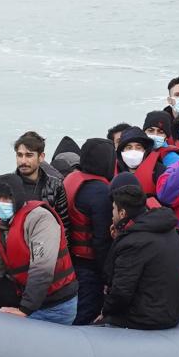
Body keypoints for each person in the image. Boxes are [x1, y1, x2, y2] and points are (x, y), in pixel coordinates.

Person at [0, 174, 80, 323]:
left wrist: (24, 310)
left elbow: (42, 269)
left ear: (17, 197)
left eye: (6, 198)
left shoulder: (40, 219)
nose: (1, 203)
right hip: (31, 303)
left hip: (57, 305)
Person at [98, 180, 179, 329]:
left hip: (150, 317)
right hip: (174, 309)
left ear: (122, 213)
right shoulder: (166, 228)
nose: (112, 214)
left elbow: (121, 291)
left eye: (114, 209)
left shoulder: (133, 243)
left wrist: (106, 312)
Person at [0, 132, 67, 267]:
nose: (23, 161)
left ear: (41, 157)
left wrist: (58, 264)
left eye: (29, 155)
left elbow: (64, 228)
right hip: (9, 263)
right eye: (19, 155)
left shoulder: (55, 186)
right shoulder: (2, 185)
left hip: (43, 262)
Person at [61, 139, 117, 325]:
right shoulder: (100, 192)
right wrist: (108, 275)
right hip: (89, 265)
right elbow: (101, 239)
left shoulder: (71, 178)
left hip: (69, 259)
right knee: (86, 313)